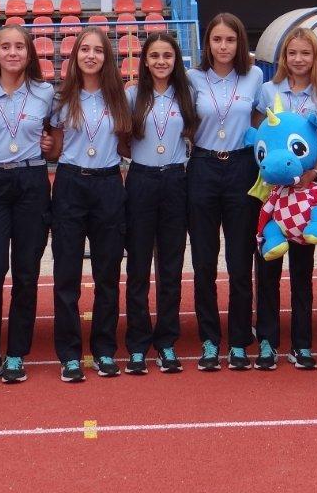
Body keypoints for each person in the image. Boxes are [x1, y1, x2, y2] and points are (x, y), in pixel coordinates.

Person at [43, 27, 131, 382]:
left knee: (107, 274)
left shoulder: (119, 99)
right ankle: (69, 354)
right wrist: (47, 147)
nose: (91, 55)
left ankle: (105, 349)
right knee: (66, 275)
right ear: (75, 57)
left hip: (109, 183)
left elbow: (126, 146)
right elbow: (57, 149)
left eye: (98, 50)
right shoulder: (61, 100)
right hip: (70, 184)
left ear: (107, 58)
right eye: (85, 50)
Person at [0, 26, 55, 385]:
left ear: (30, 53)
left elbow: (53, 136)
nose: (13, 53)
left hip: (32, 181)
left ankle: (16, 353)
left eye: (20, 46)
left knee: (26, 272)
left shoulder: (46, 93)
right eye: (5, 46)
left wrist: (50, 146)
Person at [251, 27, 317, 370]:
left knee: (302, 271)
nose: (298, 59)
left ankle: (301, 344)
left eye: (306, 53)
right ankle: (268, 341)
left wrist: (312, 175)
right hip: (272, 195)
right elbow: (259, 139)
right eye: (292, 53)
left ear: (315, 57)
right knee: (268, 266)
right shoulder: (268, 90)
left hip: (304, 194)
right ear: (283, 57)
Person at [186, 13, 264, 371]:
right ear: (208, 43)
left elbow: (261, 122)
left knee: (239, 260)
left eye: (229, 40)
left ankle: (237, 340)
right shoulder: (192, 78)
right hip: (202, 167)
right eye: (216, 39)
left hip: (240, 167)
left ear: (239, 43)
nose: (223, 46)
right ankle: (208, 339)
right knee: (203, 261)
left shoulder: (254, 77)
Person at [122, 33, 198, 375]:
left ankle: (166, 342)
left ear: (175, 60)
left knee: (170, 267)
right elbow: (122, 142)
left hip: (175, 181)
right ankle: (138, 344)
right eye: (154, 56)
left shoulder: (187, 95)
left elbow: (194, 134)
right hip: (140, 179)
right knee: (138, 267)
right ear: (145, 60)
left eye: (167, 55)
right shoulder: (131, 95)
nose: (161, 62)